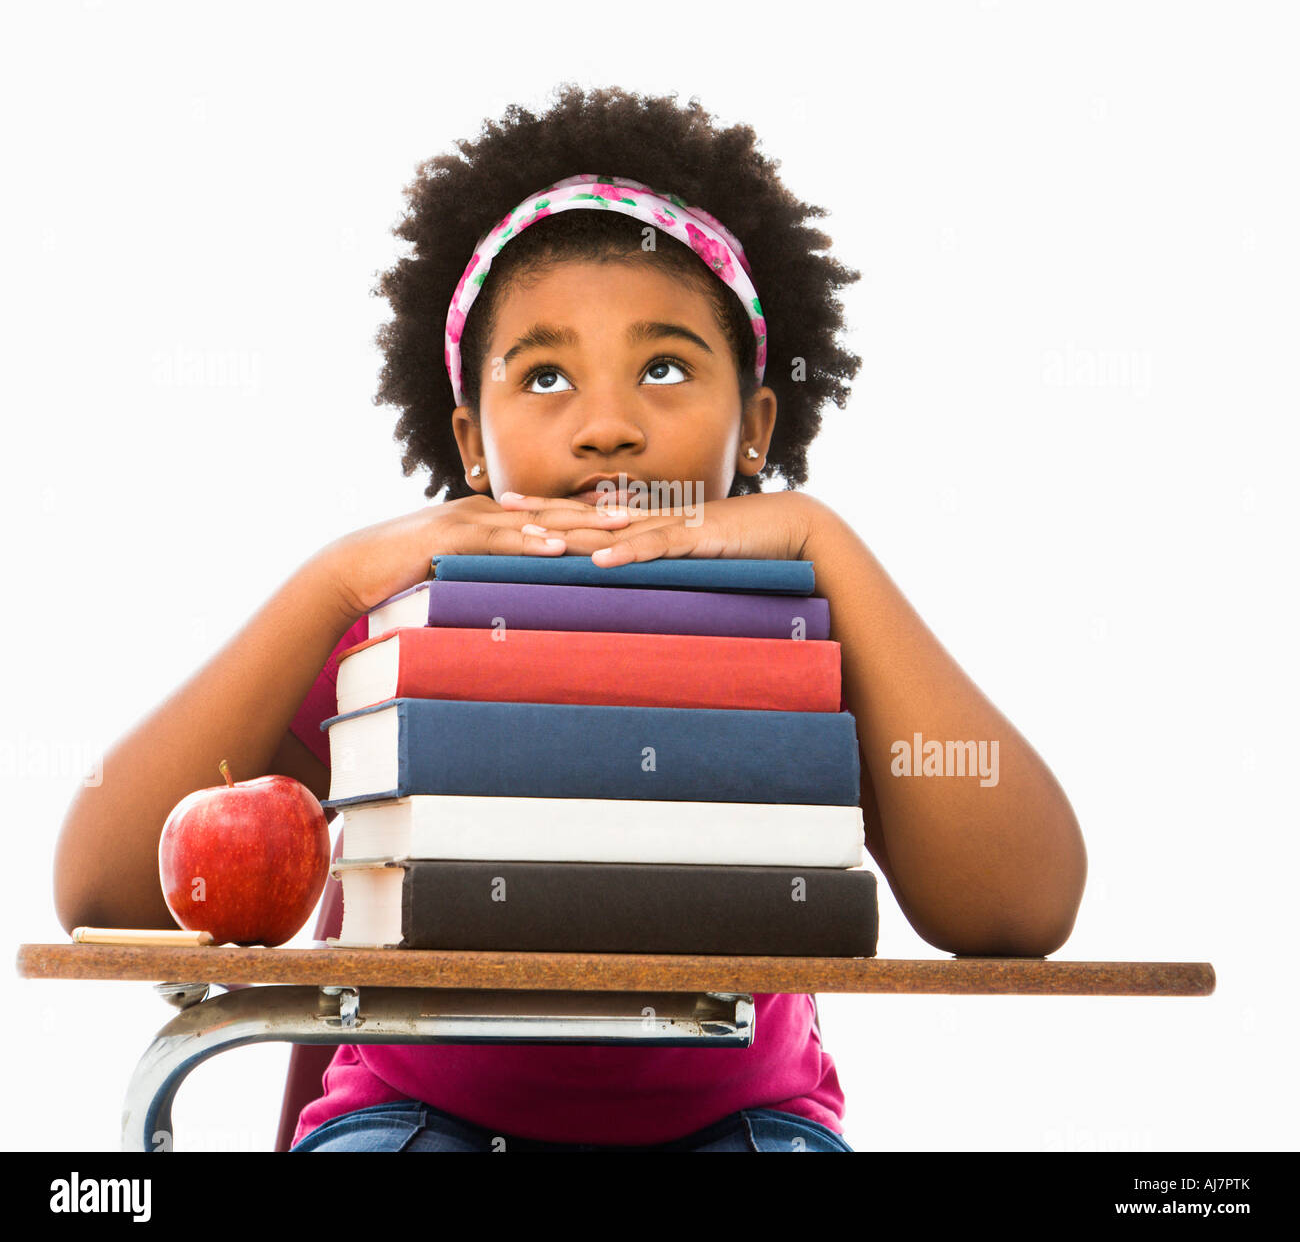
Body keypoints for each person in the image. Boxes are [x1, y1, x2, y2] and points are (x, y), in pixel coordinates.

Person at [53, 83, 1087, 1154]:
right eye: (544, 374)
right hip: (418, 1119)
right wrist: (334, 581)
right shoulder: (404, 637)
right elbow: (104, 884)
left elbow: (1018, 909)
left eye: (666, 367)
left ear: (755, 424)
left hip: (743, 1123)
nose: (606, 427)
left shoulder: (805, 638)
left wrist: (826, 541)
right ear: (469, 436)